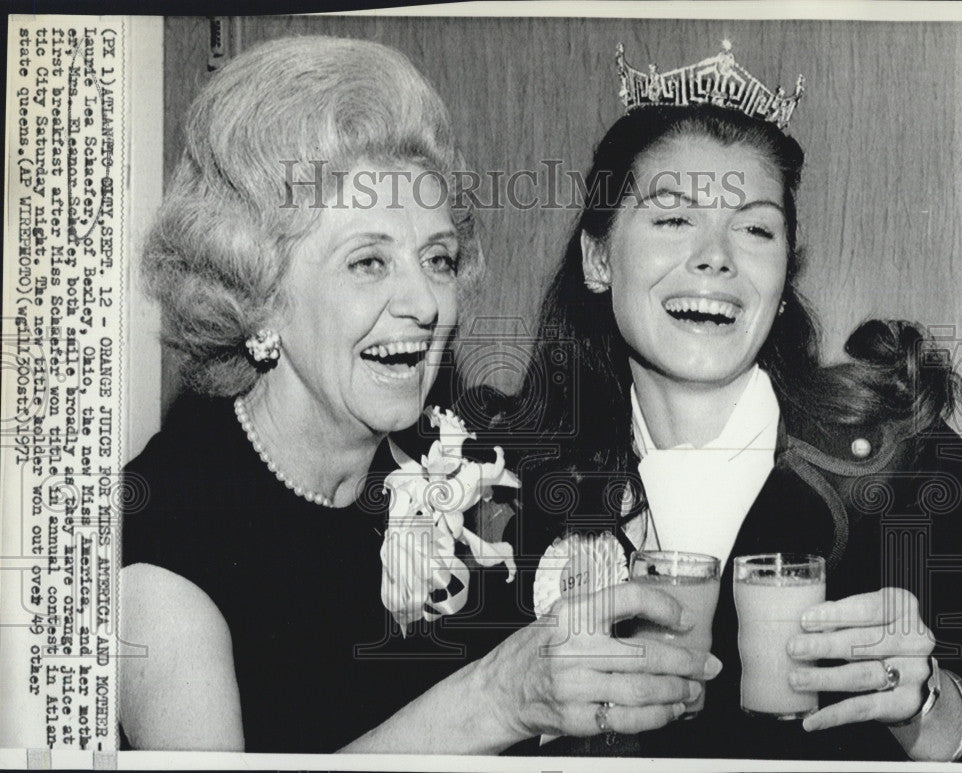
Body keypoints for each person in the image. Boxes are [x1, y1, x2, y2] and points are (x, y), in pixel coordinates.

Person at [120, 36, 720, 754]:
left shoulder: (450, 466)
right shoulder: (162, 532)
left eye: (437, 258)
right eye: (368, 261)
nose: (425, 300)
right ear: (260, 299)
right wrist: (497, 698)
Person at [463, 44, 962, 761]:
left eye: (756, 227)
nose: (717, 256)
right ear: (599, 258)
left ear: (784, 272)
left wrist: (927, 707)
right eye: (673, 218)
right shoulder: (502, 482)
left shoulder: (903, 465)